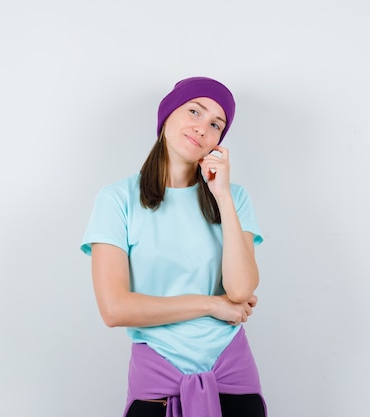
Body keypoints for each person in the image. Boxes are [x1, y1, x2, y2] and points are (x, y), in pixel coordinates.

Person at [80, 76, 266, 417]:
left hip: (232, 376)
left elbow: (240, 291)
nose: (202, 128)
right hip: (158, 383)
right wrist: (212, 305)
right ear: (167, 116)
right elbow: (114, 309)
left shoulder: (235, 198)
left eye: (215, 124)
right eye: (194, 111)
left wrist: (222, 196)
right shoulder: (117, 200)